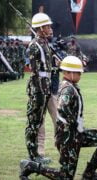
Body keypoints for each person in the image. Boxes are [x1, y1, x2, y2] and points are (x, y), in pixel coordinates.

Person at [20, 56, 97, 180]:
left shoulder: (71, 86)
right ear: (69, 73)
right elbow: (62, 108)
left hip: (76, 134)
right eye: (78, 73)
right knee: (65, 177)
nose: (80, 75)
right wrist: (75, 125)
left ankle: (89, 174)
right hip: (67, 138)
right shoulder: (67, 89)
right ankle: (31, 167)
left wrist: (82, 129)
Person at [25, 13, 55, 164]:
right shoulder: (35, 46)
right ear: (40, 28)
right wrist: (40, 91)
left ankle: (37, 154)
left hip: (46, 85)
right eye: (47, 26)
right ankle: (33, 154)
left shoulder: (45, 43)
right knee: (34, 122)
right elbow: (35, 72)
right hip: (38, 88)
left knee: (39, 120)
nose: (50, 29)